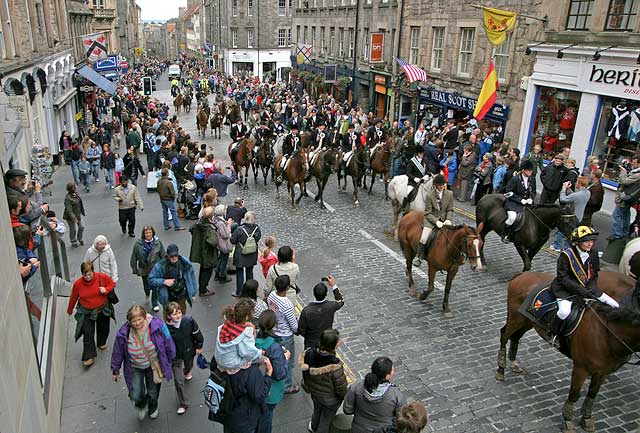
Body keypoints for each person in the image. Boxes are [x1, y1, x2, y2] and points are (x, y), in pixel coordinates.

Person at [548, 226, 619, 341]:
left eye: (592, 241)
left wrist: (591, 287)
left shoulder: (593, 253)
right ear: (577, 242)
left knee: (614, 304)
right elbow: (563, 278)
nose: (590, 244)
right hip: (566, 290)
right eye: (586, 241)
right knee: (564, 312)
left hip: (587, 288)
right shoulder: (566, 255)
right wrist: (582, 291)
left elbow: (595, 273)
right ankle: (552, 332)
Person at [111, 305, 176, 421]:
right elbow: (117, 352)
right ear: (129, 321)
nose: (137, 323)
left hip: (153, 365)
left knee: (153, 391)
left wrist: (171, 358)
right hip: (134, 367)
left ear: (145, 317)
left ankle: (153, 407)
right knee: (135, 392)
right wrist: (115, 370)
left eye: (139, 319)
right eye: (134, 321)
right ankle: (140, 405)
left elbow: (168, 340)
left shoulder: (158, 325)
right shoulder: (123, 333)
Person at [210, 348, 273, 433]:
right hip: (243, 418)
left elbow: (213, 369)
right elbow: (259, 395)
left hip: (226, 409)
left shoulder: (219, 357)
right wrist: (268, 374)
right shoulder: (250, 370)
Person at [67, 261, 116, 366]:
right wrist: (69, 310)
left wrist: (106, 289)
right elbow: (73, 297)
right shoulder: (78, 284)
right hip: (86, 312)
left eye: (90, 274)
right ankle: (89, 356)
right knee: (88, 333)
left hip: (102, 309)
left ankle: (101, 342)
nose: (88, 277)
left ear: (93, 271)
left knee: (103, 328)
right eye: (85, 274)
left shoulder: (101, 277)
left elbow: (112, 284)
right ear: (82, 274)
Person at [301, 329, 348, 433]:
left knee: (317, 410)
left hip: (315, 393)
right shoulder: (335, 365)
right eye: (338, 341)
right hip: (330, 399)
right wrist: (341, 397)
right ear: (332, 345)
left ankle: (313, 427)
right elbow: (341, 388)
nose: (340, 342)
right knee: (326, 419)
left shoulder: (309, 353)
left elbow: (305, 375)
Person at [343, 357, 407, 433]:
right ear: (387, 376)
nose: (394, 371)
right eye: (392, 370)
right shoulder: (396, 395)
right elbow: (401, 421)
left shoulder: (357, 386)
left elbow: (347, 410)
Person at [164, 301, 204, 415]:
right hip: (175, 357)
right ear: (168, 316)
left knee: (189, 366)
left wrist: (199, 346)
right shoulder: (165, 328)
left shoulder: (189, 321)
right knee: (178, 381)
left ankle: (187, 372)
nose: (178, 316)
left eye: (179, 312)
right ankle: (183, 403)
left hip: (188, 351)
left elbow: (197, 333)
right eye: (174, 314)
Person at [255, 310, 291, 433]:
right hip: (270, 391)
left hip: (255, 385)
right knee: (266, 418)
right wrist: (285, 359)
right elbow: (280, 374)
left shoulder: (253, 340)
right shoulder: (274, 347)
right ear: (274, 325)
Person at [267, 275, 299, 394]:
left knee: (277, 357)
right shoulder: (287, 304)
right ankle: (287, 385)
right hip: (285, 335)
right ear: (287, 288)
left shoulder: (271, 296)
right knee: (288, 361)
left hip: (274, 331)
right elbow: (294, 326)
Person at [414, 174, 453, 267]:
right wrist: (436, 222)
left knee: (453, 237)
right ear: (435, 185)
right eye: (439, 186)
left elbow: (450, 209)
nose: (441, 187)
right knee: (424, 238)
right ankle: (419, 257)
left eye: (443, 185)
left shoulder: (449, 194)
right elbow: (427, 213)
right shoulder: (430, 195)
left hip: (444, 219)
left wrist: (448, 219)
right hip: (431, 219)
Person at [214, 299, 262, 372]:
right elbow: (248, 353)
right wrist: (260, 352)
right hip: (232, 364)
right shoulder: (245, 333)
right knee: (259, 360)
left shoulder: (224, 325)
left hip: (219, 359)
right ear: (246, 317)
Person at [298, 276, 345, 350]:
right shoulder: (331, 306)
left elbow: (301, 330)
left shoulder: (306, 311)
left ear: (313, 293)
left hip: (311, 344)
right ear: (326, 294)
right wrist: (333, 285)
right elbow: (341, 300)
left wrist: (309, 337)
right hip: (326, 342)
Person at [148, 244, 198, 312]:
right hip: (168, 297)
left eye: (175, 255)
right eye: (171, 256)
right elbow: (150, 279)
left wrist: (193, 293)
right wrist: (164, 281)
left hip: (181, 295)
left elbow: (192, 277)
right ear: (167, 255)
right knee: (169, 317)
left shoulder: (185, 263)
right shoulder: (161, 266)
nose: (174, 258)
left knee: (181, 314)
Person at [130, 225, 166, 311]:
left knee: (155, 287)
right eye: (146, 233)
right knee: (146, 285)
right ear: (144, 234)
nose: (148, 234)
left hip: (155, 270)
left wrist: (164, 268)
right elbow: (134, 257)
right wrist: (135, 270)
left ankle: (155, 304)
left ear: (153, 233)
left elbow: (163, 256)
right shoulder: (138, 244)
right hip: (144, 269)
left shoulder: (158, 243)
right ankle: (147, 293)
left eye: (150, 232)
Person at [550, 176, 591, 252]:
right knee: (571, 233)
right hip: (579, 217)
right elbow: (573, 196)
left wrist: (563, 189)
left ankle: (557, 246)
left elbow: (563, 199)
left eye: (577, 182)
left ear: (579, 184)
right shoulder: (587, 193)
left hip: (571, 217)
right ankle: (566, 249)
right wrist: (568, 189)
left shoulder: (578, 195)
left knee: (562, 231)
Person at [503, 159, 536, 242]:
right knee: (512, 217)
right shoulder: (515, 179)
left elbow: (534, 191)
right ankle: (506, 234)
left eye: (531, 171)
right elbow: (508, 193)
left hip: (527, 202)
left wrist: (531, 199)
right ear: (523, 170)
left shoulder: (532, 179)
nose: (530, 172)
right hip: (513, 202)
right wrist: (520, 200)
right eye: (528, 171)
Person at [230, 211, 261, 297]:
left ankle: (239, 291)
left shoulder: (240, 229)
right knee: (250, 271)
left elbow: (233, 240)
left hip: (241, 253)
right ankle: (250, 292)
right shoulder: (257, 229)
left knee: (239, 272)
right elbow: (258, 238)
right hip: (252, 253)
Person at [188, 210, 218, 297]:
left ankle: (202, 287)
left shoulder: (199, 224)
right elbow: (213, 242)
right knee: (207, 271)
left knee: (203, 269)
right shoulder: (209, 229)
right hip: (208, 253)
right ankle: (203, 290)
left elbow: (191, 229)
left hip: (200, 250)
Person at [612, 157, 640, 240]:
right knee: (625, 216)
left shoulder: (638, 174)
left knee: (616, 215)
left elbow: (624, 181)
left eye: (634, 162)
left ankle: (617, 235)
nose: (632, 164)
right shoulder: (635, 171)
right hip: (629, 198)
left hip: (625, 198)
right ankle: (625, 233)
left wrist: (623, 172)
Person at [402, 146, 428, 211]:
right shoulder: (412, 161)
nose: (422, 154)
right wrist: (414, 178)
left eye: (422, 153)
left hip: (423, 182)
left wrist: (427, 175)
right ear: (417, 154)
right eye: (420, 153)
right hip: (413, 182)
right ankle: (404, 207)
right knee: (408, 192)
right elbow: (408, 172)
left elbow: (429, 170)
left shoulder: (425, 160)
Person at [212, 204, 233, 283]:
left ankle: (217, 272)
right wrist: (229, 225)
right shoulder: (221, 223)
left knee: (221, 258)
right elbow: (226, 235)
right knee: (224, 260)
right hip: (223, 244)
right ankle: (222, 276)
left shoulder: (215, 219)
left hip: (219, 243)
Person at [63, 182, 85, 248]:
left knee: (81, 227)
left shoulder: (76, 194)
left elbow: (80, 203)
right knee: (73, 229)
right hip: (70, 217)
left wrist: (82, 211)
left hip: (78, 214)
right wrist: (74, 218)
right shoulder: (68, 198)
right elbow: (69, 210)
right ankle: (73, 241)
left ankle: (79, 238)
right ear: (72, 188)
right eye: (75, 186)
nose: (76, 187)